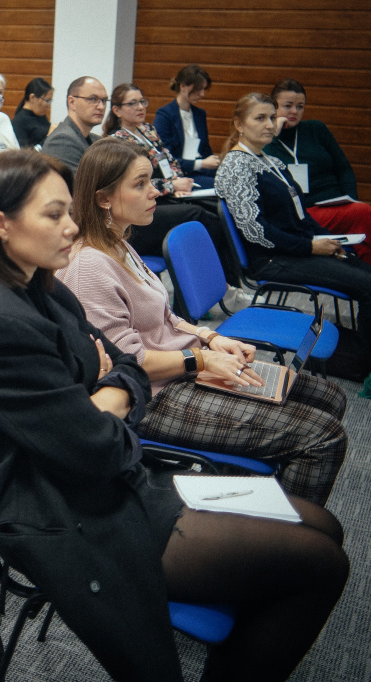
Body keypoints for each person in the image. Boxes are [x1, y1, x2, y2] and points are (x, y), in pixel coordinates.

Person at [0, 148, 349, 682]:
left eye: (69, 212)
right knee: (321, 564)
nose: (71, 226)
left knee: (324, 527)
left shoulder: (41, 286)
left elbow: (126, 363)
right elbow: (103, 443)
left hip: (99, 478)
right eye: (53, 214)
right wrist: (113, 395)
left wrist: (110, 393)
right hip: (66, 513)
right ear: (1, 224)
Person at [57, 138, 347, 504]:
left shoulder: (120, 242)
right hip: (152, 396)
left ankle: (241, 501)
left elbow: (164, 317)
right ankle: (277, 546)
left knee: (330, 396)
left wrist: (209, 338)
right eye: (140, 184)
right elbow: (129, 364)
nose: (154, 193)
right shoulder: (90, 265)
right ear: (104, 199)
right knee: (322, 434)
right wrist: (205, 360)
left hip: (184, 368)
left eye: (151, 181)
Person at [215, 93, 371, 362]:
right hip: (272, 260)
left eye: (272, 117)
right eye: (260, 118)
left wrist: (330, 241)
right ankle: (363, 365)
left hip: (294, 249)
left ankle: (361, 352)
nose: (269, 124)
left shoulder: (270, 161)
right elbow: (257, 232)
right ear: (239, 124)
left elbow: (300, 216)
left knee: (360, 265)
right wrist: (311, 246)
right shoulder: (236, 165)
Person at [102, 83, 230, 270]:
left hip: (168, 195)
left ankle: (225, 279)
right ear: (117, 110)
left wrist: (180, 183)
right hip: (146, 202)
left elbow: (170, 160)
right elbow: (133, 184)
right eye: (132, 103)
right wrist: (172, 186)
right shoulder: (118, 141)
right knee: (199, 216)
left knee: (216, 208)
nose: (140, 107)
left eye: (142, 102)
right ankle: (216, 281)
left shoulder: (148, 130)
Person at [265, 78, 371, 264]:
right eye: (288, 106)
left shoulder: (316, 129)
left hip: (338, 204)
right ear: (274, 107)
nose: (294, 112)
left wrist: (351, 199)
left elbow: (343, 168)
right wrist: (273, 131)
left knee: (361, 237)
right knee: (363, 213)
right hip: (304, 212)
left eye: (300, 106)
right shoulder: (266, 139)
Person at [153, 64, 221, 189]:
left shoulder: (200, 114)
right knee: (221, 186)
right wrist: (202, 164)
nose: (202, 94)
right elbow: (165, 157)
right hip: (181, 174)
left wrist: (214, 161)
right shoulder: (164, 115)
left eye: (204, 89)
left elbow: (205, 150)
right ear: (183, 86)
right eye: (198, 89)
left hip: (202, 171)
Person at [40, 76, 106, 176]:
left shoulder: (95, 140)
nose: (101, 107)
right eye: (92, 99)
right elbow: (79, 188)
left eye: (104, 100)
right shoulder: (62, 140)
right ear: (72, 102)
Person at [12, 77, 53, 149]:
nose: (48, 105)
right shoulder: (19, 122)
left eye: (50, 101)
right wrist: (49, 137)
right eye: (47, 100)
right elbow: (26, 156)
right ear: (32, 98)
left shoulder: (40, 115)